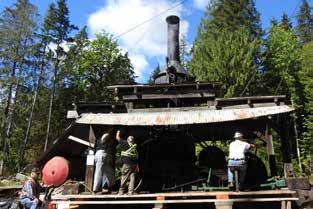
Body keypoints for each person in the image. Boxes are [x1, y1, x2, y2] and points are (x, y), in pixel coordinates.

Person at [116, 130, 138, 195]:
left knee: (124, 177)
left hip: (127, 164)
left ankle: (121, 191)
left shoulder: (124, 143)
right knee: (132, 177)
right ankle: (131, 191)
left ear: (127, 140)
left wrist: (118, 131)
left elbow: (117, 138)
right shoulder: (134, 146)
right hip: (133, 164)